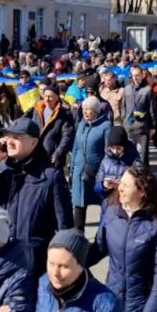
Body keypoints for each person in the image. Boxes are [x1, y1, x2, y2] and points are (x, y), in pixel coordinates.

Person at [0, 117, 74, 275]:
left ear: (34, 143)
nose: (10, 142)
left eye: (17, 138)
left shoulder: (50, 177)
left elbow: (65, 228)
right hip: (1, 260)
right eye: (8, 137)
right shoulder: (2, 170)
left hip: (33, 265)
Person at [87, 166, 157, 312]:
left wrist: (152, 309)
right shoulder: (111, 213)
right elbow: (98, 249)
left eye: (126, 185)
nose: (120, 188)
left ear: (142, 192)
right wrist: (71, 259)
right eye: (121, 183)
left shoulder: (156, 224)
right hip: (113, 299)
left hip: (143, 304)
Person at [35, 229, 129, 312]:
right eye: (51, 263)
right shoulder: (42, 286)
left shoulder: (105, 306)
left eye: (63, 266)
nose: (55, 273)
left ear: (80, 266)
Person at [70, 97, 112, 232]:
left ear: (96, 111)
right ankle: (78, 235)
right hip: (79, 170)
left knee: (101, 203)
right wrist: (72, 168)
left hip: (96, 172)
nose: (85, 112)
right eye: (83, 109)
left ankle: (102, 235)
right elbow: (76, 147)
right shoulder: (81, 124)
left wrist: (103, 171)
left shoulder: (105, 126)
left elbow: (108, 151)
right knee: (79, 203)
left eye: (89, 109)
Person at [25, 85, 75, 169]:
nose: (47, 99)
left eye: (50, 97)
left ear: (57, 98)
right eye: (45, 96)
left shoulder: (64, 114)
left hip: (52, 157)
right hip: (35, 153)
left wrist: (58, 154)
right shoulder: (37, 109)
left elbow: (67, 137)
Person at [94, 126, 140, 215]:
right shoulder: (105, 162)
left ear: (124, 147)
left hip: (127, 203)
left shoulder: (134, 159)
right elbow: (96, 186)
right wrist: (103, 185)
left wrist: (121, 185)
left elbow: (140, 181)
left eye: (118, 148)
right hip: (109, 204)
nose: (115, 151)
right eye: (112, 148)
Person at [122, 66, 153, 165]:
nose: (135, 77)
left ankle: (141, 175)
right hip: (129, 127)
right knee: (129, 153)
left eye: (137, 75)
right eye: (133, 75)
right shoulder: (126, 89)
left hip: (142, 127)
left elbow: (152, 109)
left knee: (141, 154)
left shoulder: (147, 90)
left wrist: (152, 127)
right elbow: (123, 106)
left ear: (142, 75)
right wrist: (124, 120)